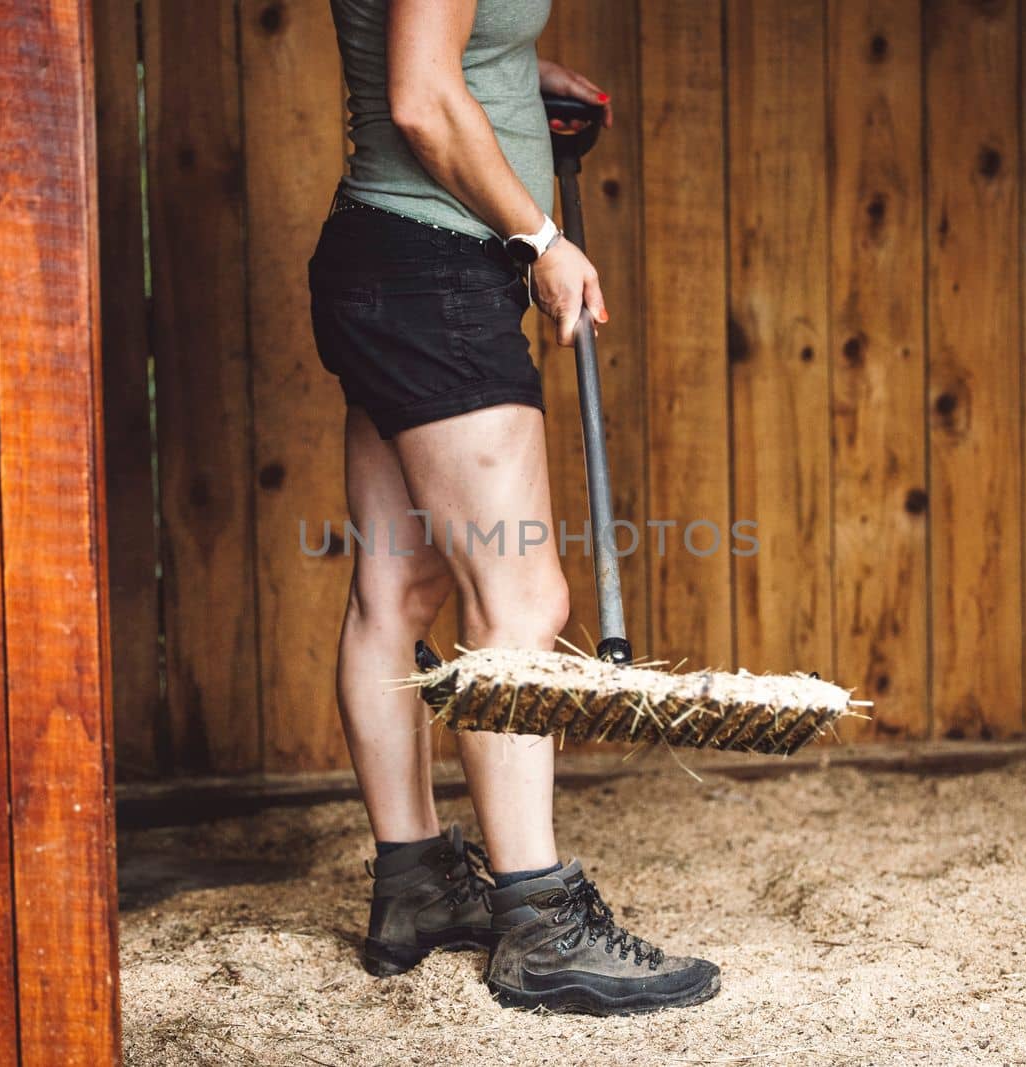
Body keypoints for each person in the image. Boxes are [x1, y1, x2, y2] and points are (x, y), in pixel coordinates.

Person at [310, 0, 720, 1016]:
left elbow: (426, 58)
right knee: (520, 599)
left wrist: (516, 74)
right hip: (437, 267)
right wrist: (539, 234)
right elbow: (418, 95)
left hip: (393, 257)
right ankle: (538, 921)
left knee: (396, 588)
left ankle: (412, 885)